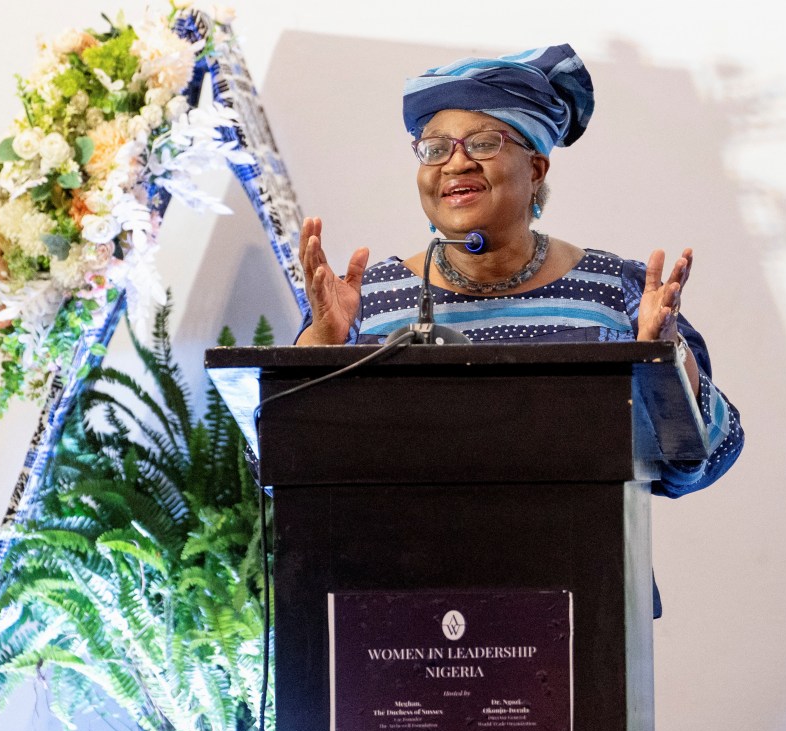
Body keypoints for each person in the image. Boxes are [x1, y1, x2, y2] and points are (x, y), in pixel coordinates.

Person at [294, 44, 744, 616]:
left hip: (582, 613)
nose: (454, 164)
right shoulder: (362, 299)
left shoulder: (621, 292)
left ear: (536, 168)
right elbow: (279, 467)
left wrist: (663, 359)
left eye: (483, 143)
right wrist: (320, 349)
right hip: (393, 614)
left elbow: (710, 457)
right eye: (434, 148)